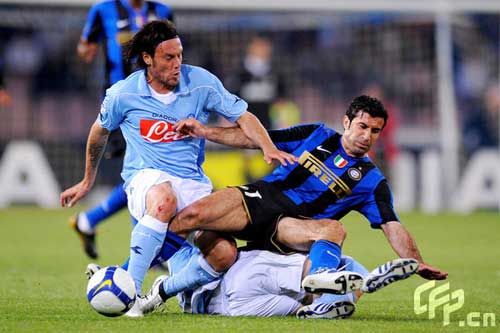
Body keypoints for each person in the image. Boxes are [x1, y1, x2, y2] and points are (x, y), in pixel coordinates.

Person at [131, 95, 448, 316]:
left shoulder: (372, 181)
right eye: (362, 127)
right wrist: (205, 131)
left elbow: (392, 224)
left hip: (290, 227)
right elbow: (256, 138)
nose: (367, 136)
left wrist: (417, 262)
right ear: (347, 122)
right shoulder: (316, 134)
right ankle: (130, 279)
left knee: (334, 229)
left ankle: (322, 285)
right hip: (261, 198)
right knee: (191, 215)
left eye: (375, 131)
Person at [60, 20, 296, 301]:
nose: (177, 63)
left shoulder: (201, 83)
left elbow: (244, 117)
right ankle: (131, 291)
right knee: (164, 199)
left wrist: (267, 146)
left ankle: (139, 284)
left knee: (223, 254)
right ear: (147, 58)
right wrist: (88, 180)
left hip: (192, 184)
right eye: (169, 57)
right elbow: (99, 132)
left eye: (180, 55)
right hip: (145, 179)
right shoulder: (123, 93)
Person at [70, 0, 174, 259]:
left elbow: (173, 50)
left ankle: (90, 221)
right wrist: (86, 49)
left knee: (145, 172)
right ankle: (145, 250)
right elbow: (86, 48)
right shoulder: (103, 10)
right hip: (124, 104)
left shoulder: (162, 11)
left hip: (158, 101)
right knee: (142, 171)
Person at [159, 243, 419, 319]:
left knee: (304, 305)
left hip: (230, 309)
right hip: (243, 272)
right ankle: (367, 279)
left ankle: (320, 310)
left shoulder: (173, 273)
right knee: (325, 270)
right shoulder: (191, 237)